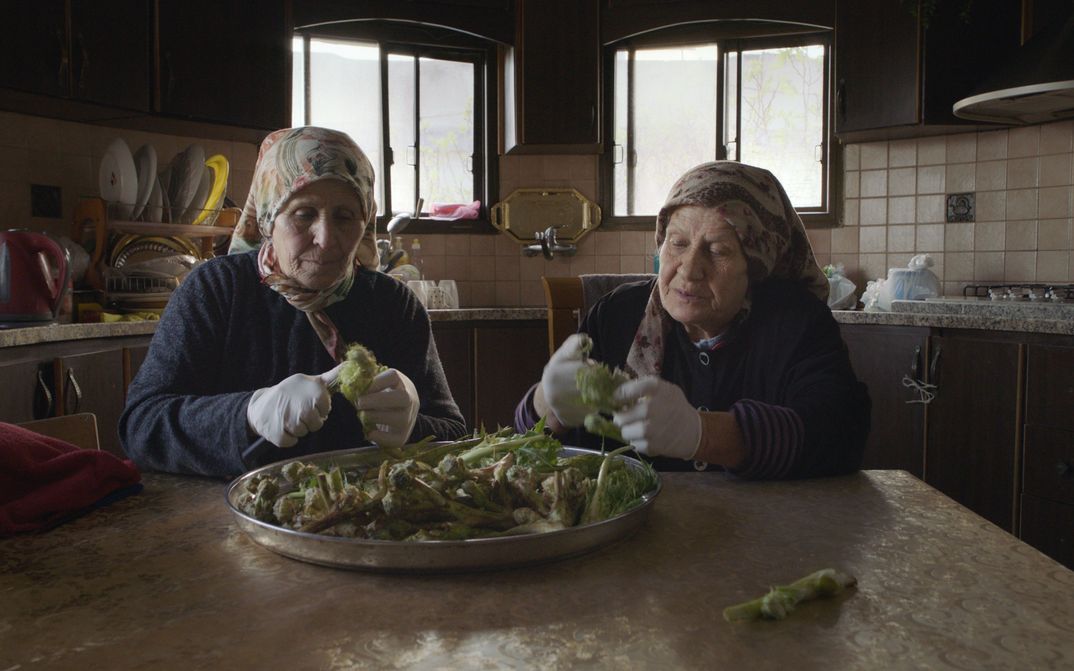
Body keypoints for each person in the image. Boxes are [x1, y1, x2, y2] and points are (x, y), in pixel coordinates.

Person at [120, 126, 467, 477]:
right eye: (304, 214)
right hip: (225, 515)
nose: (326, 238)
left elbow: (453, 435)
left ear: (364, 223)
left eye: (344, 216)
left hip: (363, 518)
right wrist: (249, 414)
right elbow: (141, 426)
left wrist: (413, 426)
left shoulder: (394, 305)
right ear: (270, 219)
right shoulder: (217, 290)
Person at [515, 161, 870, 479]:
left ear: (758, 263)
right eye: (678, 243)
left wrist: (704, 434)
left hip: (762, 535)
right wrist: (545, 406)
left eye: (718, 250)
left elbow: (839, 437)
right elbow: (526, 448)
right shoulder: (615, 314)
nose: (690, 269)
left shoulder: (796, 322)